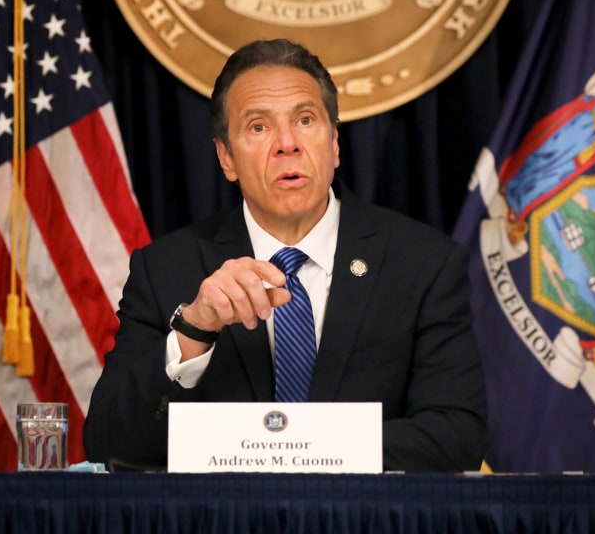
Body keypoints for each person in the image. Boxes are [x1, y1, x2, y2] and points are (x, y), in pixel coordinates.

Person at [83, 38, 486, 472]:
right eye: (258, 127)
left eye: (306, 120)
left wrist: (288, 446)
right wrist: (194, 329)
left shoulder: (424, 263)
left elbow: (457, 435)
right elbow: (108, 443)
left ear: (334, 144)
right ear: (226, 158)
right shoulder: (166, 269)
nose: (287, 143)